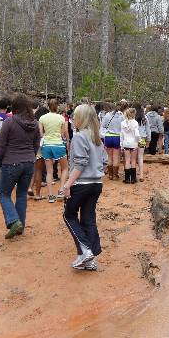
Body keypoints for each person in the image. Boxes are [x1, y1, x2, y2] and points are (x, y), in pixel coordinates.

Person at [62, 104, 107, 271]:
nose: (73, 119)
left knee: (69, 216)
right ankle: (90, 258)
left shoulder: (80, 136)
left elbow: (80, 163)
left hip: (81, 184)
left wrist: (68, 184)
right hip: (96, 184)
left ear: (81, 118)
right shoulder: (96, 137)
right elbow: (104, 162)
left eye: (75, 116)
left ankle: (86, 251)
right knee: (88, 219)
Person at [0, 93, 40, 239]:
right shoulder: (34, 123)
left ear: (14, 107)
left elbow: (1, 145)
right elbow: (36, 145)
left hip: (11, 162)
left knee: (4, 194)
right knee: (21, 195)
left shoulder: (9, 122)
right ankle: (20, 225)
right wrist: (30, 157)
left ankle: (14, 221)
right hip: (29, 162)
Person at [39, 99, 69, 203]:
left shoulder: (42, 118)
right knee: (65, 168)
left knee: (49, 171)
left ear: (48, 106)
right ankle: (61, 191)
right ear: (57, 106)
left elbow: (41, 133)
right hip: (58, 144)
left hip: (46, 145)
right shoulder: (61, 117)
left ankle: (51, 195)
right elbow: (64, 132)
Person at [100, 102, 124, 180]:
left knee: (109, 157)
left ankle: (110, 174)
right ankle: (115, 174)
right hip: (117, 137)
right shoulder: (121, 116)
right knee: (116, 157)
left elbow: (102, 126)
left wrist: (104, 135)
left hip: (108, 137)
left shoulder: (107, 115)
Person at [120, 107, 140, 183]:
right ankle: (133, 179)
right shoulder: (135, 123)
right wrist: (138, 141)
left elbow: (121, 135)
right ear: (133, 114)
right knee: (133, 160)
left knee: (127, 160)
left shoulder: (122, 123)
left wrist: (121, 144)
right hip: (134, 143)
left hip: (126, 143)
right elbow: (137, 135)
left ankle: (127, 179)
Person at [135, 104, 150, 182]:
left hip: (133, 139)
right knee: (140, 157)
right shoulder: (145, 118)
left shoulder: (132, 117)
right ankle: (141, 175)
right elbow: (148, 129)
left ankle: (133, 175)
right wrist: (148, 140)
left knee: (133, 157)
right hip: (142, 139)